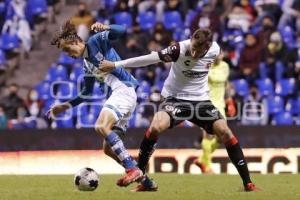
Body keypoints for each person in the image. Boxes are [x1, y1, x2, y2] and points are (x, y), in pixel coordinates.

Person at [100, 28, 260, 192]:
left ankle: (248, 183)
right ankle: (140, 175)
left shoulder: (215, 50)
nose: (193, 52)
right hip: (175, 99)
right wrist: (115, 64)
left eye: (198, 50)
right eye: (193, 47)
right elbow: (149, 59)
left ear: (208, 48)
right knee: (156, 126)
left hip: (200, 100)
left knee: (225, 131)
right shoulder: (178, 49)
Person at [49, 21, 157, 190]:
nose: (67, 54)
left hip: (124, 89)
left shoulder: (95, 41)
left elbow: (122, 30)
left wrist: (106, 27)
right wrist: (66, 106)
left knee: (101, 125)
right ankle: (145, 182)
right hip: (121, 96)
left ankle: (132, 169)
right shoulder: (86, 64)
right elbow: (87, 92)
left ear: (76, 42)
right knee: (108, 149)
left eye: (67, 49)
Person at [193, 52, 234, 174]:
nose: (218, 56)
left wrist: (229, 100)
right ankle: (208, 166)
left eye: (220, 54)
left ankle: (202, 160)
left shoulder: (225, 66)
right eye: (215, 54)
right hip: (206, 104)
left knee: (223, 137)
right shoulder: (204, 66)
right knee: (208, 135)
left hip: (220, 105)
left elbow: (225, 83)